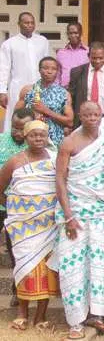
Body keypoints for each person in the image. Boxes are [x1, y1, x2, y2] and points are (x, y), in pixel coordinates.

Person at [51, 102, 104, 339]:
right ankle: (75, 322)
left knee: (103, 265)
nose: (92, 117)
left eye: (96, 114)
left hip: (103, 212)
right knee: (73, 267)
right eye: (87, 114)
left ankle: (97, 315)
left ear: (101, 116)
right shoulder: (69, 143)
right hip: (75, 212)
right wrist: (69, 215)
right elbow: (61, 180)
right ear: (80, 116)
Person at [0, 120, 58, 332]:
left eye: (41, 135)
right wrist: (15, 209)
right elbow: (1, 188)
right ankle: (22, 314)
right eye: (33, 135)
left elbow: (61, 185)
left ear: (47, 137)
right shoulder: (14, 162)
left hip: (48, 225)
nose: (38, 139)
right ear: (25, 137)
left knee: (47, 270)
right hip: (23, 227)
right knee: (24, 267)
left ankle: (40, 316)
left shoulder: (54, 159)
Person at [0, 108, 34, 305]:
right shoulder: (1, 140)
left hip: (26, 210)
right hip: (2, 204)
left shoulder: (41, 143)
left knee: (16, 251)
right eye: (14, 127)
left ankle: (18, 290)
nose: (18, 132)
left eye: (22, 129)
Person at [0, 12, 50, 133]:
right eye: (26, 23)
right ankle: (11, 145)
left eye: (32, 23)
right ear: (19, 24)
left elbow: (47, 64)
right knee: (15, 116)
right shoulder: (9, 43)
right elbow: (4, 68)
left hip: (39, 87)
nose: (29, 25)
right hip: (17, 87)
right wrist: (2, 91)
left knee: (38, 116)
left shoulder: (42, 41)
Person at [15, 57, 72, 146]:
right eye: (45, 68)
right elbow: (16, 116)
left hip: (54, 140)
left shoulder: (64, 94)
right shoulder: (27, 90)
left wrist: (46, 111)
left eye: (53, 69)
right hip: (30, 140)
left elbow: (69, 121)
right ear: (39, 70)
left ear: (57, 72)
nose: (49, 71)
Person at [68, 42, 104, 125]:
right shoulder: (77, 72)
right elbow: (71, 98)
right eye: (94, 58)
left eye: (101, 58)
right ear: (88, 56)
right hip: (83, 119)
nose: (97, 61)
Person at [56, 22, 89, 87]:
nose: (73, 35)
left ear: (81, 33)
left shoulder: (88, 51)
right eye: (70, 33)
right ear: (67, 34)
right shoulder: (61, 53)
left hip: (82, 90)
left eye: (76, 33)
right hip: (64, 89)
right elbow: (57, 74)